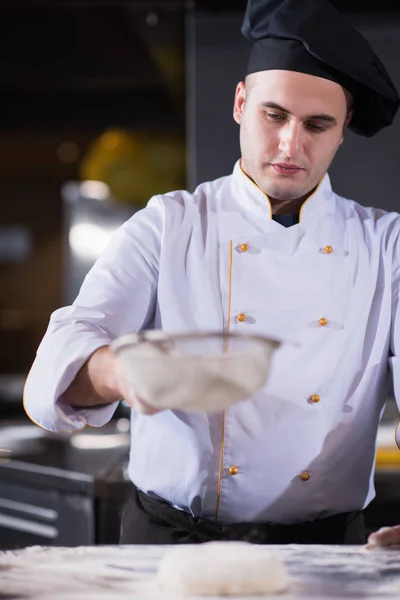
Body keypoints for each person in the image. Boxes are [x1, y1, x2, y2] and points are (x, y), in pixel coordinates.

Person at [24, 0, 400, 546]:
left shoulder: (385, 245)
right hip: (172, 544)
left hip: (326, 551)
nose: (291, 145)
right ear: (241, 103)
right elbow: (61, 359)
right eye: (275, 116)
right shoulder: (169, 225)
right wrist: (123, 373)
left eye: (318, 125)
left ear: (342, 132)